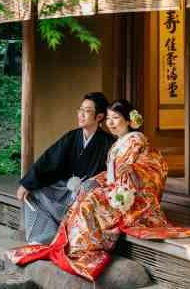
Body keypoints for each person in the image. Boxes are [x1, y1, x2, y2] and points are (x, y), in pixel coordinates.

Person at [6, 99, 190, 281]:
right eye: (109, 119)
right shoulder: (117, 142)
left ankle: (84, 249)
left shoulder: (135, 139)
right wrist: (95, 182)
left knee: (89, 202)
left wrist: (125, 175)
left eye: (116, 118)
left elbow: (147, 168)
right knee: (80, 197)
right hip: (114, 188)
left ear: (129, 120)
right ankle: (68, 245)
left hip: (130, 195)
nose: (112, 123)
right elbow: (108, 173)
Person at [16, 92, 115, 244]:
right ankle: (45, 235)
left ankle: (71, 235)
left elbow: (109, 176)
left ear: (100, 117)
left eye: (87, 111)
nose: (81, 114)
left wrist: (88, 186)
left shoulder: (108, 143)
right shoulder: (72, 137)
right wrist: (27, 183)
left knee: (87, 191)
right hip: (67, 189)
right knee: (33, 192)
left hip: (88, 194)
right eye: (80, 110)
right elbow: (50, 159)